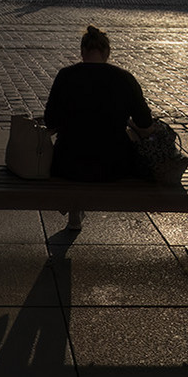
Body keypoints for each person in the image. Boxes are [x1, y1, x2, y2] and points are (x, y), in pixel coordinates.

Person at [43, 25, 153, 230]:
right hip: (114, 165)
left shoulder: (66, 76)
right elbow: (145, 122)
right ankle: (76, 209)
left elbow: (50, 121)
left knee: (77, 143)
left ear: (82, 51)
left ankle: (74, 211)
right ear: (107, 53)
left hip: (68, 164)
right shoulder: (124, 78)